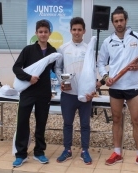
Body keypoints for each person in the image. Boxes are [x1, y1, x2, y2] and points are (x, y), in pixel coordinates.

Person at [97, 6, 138, 170]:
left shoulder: (137, 37)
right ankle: (117, 152)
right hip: (115, 87)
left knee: (137, 121)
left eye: (121, 20)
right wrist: (106, 77)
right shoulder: (108, 42)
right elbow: (101, 63)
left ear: (126, 20)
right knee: (116, 120)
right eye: (116, 21)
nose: (119, 23)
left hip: (132, 87)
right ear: (112, 23)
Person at [12, 20, 57, 167]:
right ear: (36, 33)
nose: (43, 34)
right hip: (28, 92)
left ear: (49, 33)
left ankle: (39, 152)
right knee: (22, 122)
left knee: (41, 123)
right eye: (40, 32)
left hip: (44, 93)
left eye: (45, 31)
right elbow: (16, 68)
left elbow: (57, 70)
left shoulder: (53, 52)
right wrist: (28, 78)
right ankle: (21, 154)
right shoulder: (28, 50)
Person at [54, 17, 94, 165]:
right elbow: (57, 68)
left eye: (79, 30)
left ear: (84, 31)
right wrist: (60, 82)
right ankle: (67, 150)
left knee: (85, 124)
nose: (77, 32)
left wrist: (91, 90)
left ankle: (85, 151)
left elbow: (92, 71)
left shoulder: (88, 49)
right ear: (70, 30)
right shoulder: (63, 49)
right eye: (74, 29)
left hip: (84, 95)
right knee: (67, 123)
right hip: (68, 94)